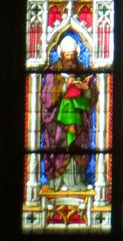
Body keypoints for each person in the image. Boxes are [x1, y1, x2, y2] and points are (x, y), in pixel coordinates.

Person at [40, 35, 98, 190]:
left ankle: (78, 182)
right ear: (61, 54)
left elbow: (93, 96)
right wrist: (65, 86)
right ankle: (59, 183)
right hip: (59, 122)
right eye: (67, 55)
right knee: (61, 147)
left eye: (72, 56)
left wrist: (86, 90)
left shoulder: (82, 70)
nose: (70, 59)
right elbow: (46, 98)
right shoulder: (53, 72)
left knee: (78, 148)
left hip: (79, 119)